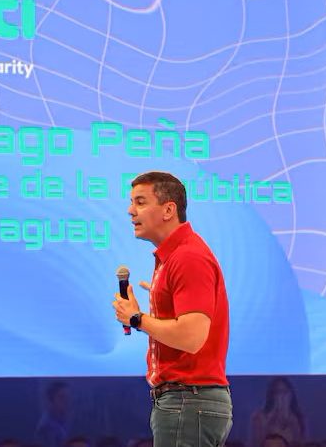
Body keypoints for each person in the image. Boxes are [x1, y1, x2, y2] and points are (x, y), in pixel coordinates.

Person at [112, 171, 232, 446]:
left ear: (168, 210)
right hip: (188, 402)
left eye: (140, 202)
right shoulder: (176, 257)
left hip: (188, 400)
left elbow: (191, 337)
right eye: (131, 202)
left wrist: (137, 318)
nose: (130, 211)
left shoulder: (187, 257)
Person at [249, 378, 306, 447]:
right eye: (278, 392)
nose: (281, 396)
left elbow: (302, 443)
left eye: (285, 392)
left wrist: (290, 419)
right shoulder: (259, 416)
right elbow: (257, 443)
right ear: (271, 395)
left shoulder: (298, 417)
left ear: (291, 395)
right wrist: (270, 417)